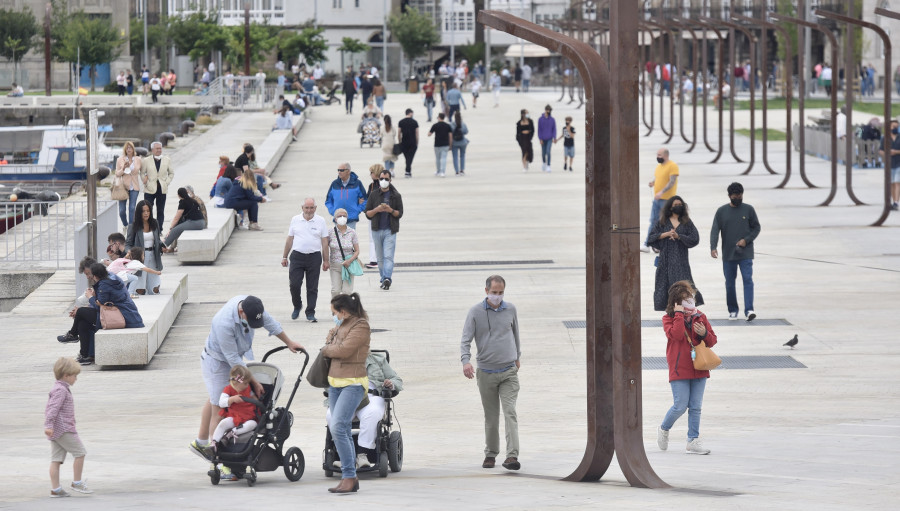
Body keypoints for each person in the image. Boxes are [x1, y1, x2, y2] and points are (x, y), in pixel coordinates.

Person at [190, 295, 303, 465]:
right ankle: (219, 461)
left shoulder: (253, 305)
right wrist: (254, 382)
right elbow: (232, 358)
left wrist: (289, 342)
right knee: (219, 408)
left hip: (234, 358)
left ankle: (200, 443)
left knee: (216, 396)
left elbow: (270, 323)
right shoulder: (223, 323)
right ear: (241, 312)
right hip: (217, 361)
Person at [460, 275, 522, 471]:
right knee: (491, 416)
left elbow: (516, 334)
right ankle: (491, 453)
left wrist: (517, 356)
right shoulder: (475, 312)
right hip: (486, 372)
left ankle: (512, 456)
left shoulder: (511, 309)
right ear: (486, 291)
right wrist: (466, 361)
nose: (498, 296)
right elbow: (465, 339)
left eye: (501, 292)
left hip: (509, 371)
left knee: (510, 412)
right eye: (494, 292)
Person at [657, 280, 717, 455]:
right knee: (680, 405)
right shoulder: (668, 318)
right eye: (684, 299)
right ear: (676, 302)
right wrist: (678, 315)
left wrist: (703, 334)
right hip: (679, 368)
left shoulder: (700, 317)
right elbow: (675, 335)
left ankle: (693, 440)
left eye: (690, 297)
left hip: (699, 366)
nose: (690, 302)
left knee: (696, 406)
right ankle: (664, 428)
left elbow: (712, 341)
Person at [322, 293, 371, 494]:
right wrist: (331, 345)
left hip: (353, 383)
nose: (333, 316)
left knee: (338, 427)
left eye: (334, 312)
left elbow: (343, 351)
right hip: (335, 383)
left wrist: (327, 348)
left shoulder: (361, 326)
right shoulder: (342, 326)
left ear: (343, 311)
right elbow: (333, 345)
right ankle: (350, 476)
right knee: (342, 429)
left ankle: (349, 475)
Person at [325, 350, 403, 469]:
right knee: (332, 415)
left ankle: (362, 455)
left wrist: (390, 383)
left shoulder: (377, 360)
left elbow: (397, 379)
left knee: (372, 413)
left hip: (372, 397)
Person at [57, 263, 143, 366]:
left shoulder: (104, 284)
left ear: (96, 276)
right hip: (127, 315)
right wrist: (94, 299)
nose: (91, 278)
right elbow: (102, 303)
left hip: (121, 317)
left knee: (81, 312)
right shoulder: (111, 278)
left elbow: (100, 306)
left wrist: (90, 297)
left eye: (91, 275)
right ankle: (85, 356)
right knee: (83, 321)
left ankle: (73, 335)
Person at [710, 182, 761, 321]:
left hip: (746, 253)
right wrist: (713, 247)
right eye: (735, 196)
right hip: (728, 254)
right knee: (730, 283)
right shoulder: (721, 211)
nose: (738, 198)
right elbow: (715, 230)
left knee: (747, 279)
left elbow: (756, 228)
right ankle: (733, 310)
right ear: (729, 196)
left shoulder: (749, 210)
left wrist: (747, 239)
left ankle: (749, 309)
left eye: (740, 195)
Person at [45, 357, 93, 498]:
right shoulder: (61, 390)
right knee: (80, 453)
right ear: (66, 376)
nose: (76, 379)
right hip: (64, 429)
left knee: (56, 459)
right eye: (74, 376)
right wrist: (48, 425)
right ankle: (77, 482)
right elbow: (52, 409)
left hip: (56, 430)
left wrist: (49, 427)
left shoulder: (59, 388)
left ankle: (56, 489)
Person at [648, 196, 703, 311]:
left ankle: (685, 312)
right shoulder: (662, 222)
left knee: (684, 287)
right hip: (665, 261)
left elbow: (695, 238)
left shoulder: (686, 222)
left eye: (680, 205)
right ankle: (671, 314)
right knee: (665, 287)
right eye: (675, 205)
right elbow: (651, 238)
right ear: (670, 207)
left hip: (681, 261)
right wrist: (666, 234)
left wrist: (679, 236)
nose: (678, 207)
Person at [282, 198, 329, 321]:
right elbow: (290, 239)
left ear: (315, 208)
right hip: (297, 256)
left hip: (314, 256)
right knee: (294, 284)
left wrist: (326, 260)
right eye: (307, 208)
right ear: (302, 208)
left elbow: (324, 242)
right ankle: (297, 305)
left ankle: (310, 312)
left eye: (311, 207)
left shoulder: (320, 221)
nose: (309, 210)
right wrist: (284, 256)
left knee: (312, 287)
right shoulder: (295, 220)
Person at [202, 365, 259, 458]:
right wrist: (231, 399)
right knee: (223, 423)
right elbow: (221, 403)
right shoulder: (228, 390)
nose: (247, 385)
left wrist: (258, 403)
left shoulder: (247, 388)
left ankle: (230, 434)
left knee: (253, 424)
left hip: (249, 416)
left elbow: (254, 398)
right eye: (245, 383)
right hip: (235, 416)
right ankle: (214, 443)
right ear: (236, 383)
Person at [364, 169, 403, 290]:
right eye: (381, 179)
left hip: (390, 230)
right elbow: (368, 214)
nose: (384, 181)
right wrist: (377, 210)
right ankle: (383, 278)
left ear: (390, 180)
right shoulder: (373, 194)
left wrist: (390, 210)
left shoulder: (396, 195)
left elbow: (399, 213)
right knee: (380, 258)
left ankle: (387, 278)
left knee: (388, 256)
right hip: (376, 230)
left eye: (386, 179)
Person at [642, 148, 679, 253]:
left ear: (666, 155)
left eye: (659, 155)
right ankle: (648, 244)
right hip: (657, 199)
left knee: (665, 222)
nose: (657, 157)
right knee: (653, 221)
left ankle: (662, 244)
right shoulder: (659, 166)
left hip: (667, 200)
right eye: (657, 155)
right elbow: (658, 178)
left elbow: (671, 182)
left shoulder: (673, 166)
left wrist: (661, 192)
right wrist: (653, 183)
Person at [124, 200, 164, 295]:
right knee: (140, 291)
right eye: (143, 211)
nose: (146, 213)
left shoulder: (155, 223)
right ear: (139, 213)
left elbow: (157, 239)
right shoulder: (133, 226)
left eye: (148, 211)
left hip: (153, 256)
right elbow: (128, 243)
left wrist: (162, 246)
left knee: (155, 290)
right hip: (140, 258)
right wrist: (129, 252)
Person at [140, 142, 175, 231]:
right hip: (149, 189)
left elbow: (171, 173)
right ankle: (148, 228)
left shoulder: (167, 159)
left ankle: (159, 229)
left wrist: (166, 182)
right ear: (152, 150)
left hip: (162, 189)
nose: (159, 150)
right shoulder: (146, 160)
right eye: (157, 148)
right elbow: (142, 173)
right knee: (147, 210)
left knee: (160, 211)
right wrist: (146, 183)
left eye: (160, 148)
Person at [326, 208, 360, 297]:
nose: (342, 218)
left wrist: (350, 261)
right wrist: (325, 261)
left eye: (344, 216)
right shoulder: (330, 232)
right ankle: (335, 309)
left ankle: (346, 310)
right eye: (339, 216)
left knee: (347, 291)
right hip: (335, 265)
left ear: (347, 218)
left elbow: (357, 250)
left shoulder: (352, 232)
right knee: (335, 290)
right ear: (335, 219)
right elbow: (325, 247)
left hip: (349, 265)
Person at [325, 163, 368, 232]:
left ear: (348, 171)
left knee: (349, 241)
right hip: (337, 218)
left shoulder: (357, 183)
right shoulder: (334, 184)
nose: (339, 172)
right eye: (338, 170)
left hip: (351, 219)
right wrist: (333, 211)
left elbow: (365, 200)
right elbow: (328, 201)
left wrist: (357, 210)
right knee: (338, 241)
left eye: (342, 170)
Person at [162, 187, 206, 252]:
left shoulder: (183, 202)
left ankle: (162, 246)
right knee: (178, 227)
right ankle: (170, 246)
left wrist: (170, 228)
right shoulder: (193, 200)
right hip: (202, 222)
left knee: (174, 230)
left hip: (194, 222)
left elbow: (176, 218)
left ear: (179, 195)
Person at [114, 142, 142, 226]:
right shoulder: (120, 159)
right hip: (123, 187)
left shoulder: (138, 159)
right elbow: (117, 174)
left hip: (134, 186)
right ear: (125, 150)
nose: (129, 149)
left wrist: (146, 177)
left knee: (132, 208)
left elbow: (142, 171)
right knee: (122, 210)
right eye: (127, 148)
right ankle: (125, 225)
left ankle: (131, 227)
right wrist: (123, 168)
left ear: (133, 149)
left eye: (130, 148)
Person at [879, 119, 900, 211]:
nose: (895, 128)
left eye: (897, 126)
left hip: (899, 162)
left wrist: (896, 152)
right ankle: (893, 200)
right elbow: (881, 150)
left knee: (897, 182)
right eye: (894, 126)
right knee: (891, 183)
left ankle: (896, 202)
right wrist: (887, 153)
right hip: (889, 163)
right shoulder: (885, 138)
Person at [364, 165, 382, 269]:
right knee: (372, 238)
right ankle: (373, 260)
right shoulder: (371, 186)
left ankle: (377, 260)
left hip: (381, 216)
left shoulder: (383, 185)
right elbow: (367, 199)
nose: (370, 174)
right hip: (371, 215)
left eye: (371, 172)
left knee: (379, 238)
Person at [429, 113, 453, 177]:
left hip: (437, 144)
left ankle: (438, 171)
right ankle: (443, 172)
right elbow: (450, 136)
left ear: (439, 117)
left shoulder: (435, 125)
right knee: (444, 158)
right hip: (445, 144)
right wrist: (450, 145)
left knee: (437, 158)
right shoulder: (448, 125)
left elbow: (429, 134)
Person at [397, 109, 419, 178]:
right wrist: (417, 142)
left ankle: (408, 171)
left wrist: (400, 141)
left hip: (404, 142)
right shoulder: (415, 122)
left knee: (407, 157)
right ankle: (408, 171)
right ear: (411, 113)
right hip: (412, 142)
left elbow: (399, 133)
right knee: (410, 157)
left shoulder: (401, 122)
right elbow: (417, 133)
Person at [537, 105, 557, 172]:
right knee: (543, 153)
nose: (548, 111)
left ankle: (548, 165)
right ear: (545, 110)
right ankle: (544, 163)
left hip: (549, 138)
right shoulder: (540, 119)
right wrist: (540, 139)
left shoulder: (552, 119)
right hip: (543, 138)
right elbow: (539, 129)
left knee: (548, 152)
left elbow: (554, 129)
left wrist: (554, 137)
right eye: (547, 110)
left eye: (550, 110)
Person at [449, 111, 469, 176]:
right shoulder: (463, 124)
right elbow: (466, 132)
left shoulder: (452, 124)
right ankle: (462, 170)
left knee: (455, 157)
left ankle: (457, 171)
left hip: (454, 142)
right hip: (463, 142)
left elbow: (450, 133)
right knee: (462, 156)